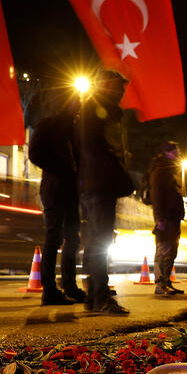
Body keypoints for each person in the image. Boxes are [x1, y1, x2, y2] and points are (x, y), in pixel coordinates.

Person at [77, 69, 135, 315]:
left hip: (93, 183)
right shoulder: (98, 110)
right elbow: (97, 145)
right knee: (100, 239)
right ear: (105, 86)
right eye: (118, 86)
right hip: (99, 183)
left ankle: (94, 295)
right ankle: (100, 296)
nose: (122, 92)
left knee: (95, 239)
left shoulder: (91, 109)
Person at [29, 92, 83, 305]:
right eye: (76, 104)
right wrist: (60, 169)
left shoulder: (75, 129)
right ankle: (49, 290)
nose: (78, 108)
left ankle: (70, 286)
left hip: (71, 189)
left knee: (73, 238)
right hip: (54, 187)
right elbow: (35, 153)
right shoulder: (49, 124)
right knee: (54, 238)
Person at [148, 141, 186, 296]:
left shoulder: (171, 170)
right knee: (163, 250)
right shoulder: (160, 170)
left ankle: (166, 281)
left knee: (172, 251)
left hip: (174, 216)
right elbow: (156, 196)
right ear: (165, 153)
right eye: (173, 150)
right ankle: (160, 283)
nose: (177, 152)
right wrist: (159, 219)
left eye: (177, 148)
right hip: (165, 217)